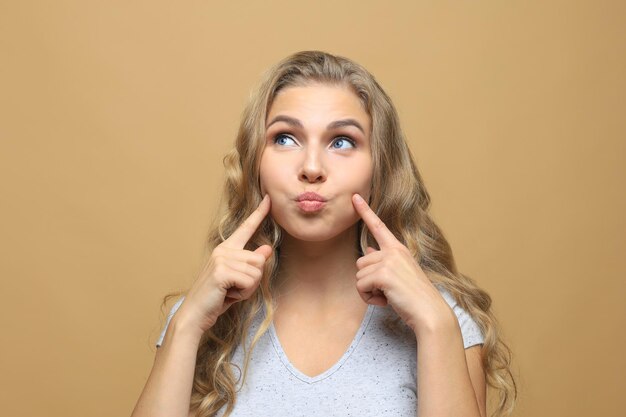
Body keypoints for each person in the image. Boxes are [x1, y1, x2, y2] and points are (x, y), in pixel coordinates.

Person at [131, 50, 516, 417]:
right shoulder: (201, 317)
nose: (311, 167)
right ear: (256, 162)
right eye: (285, 138)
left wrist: (436, 325)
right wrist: (185, 325)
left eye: (342, 141)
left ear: (378, 169)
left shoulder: (440, 319)